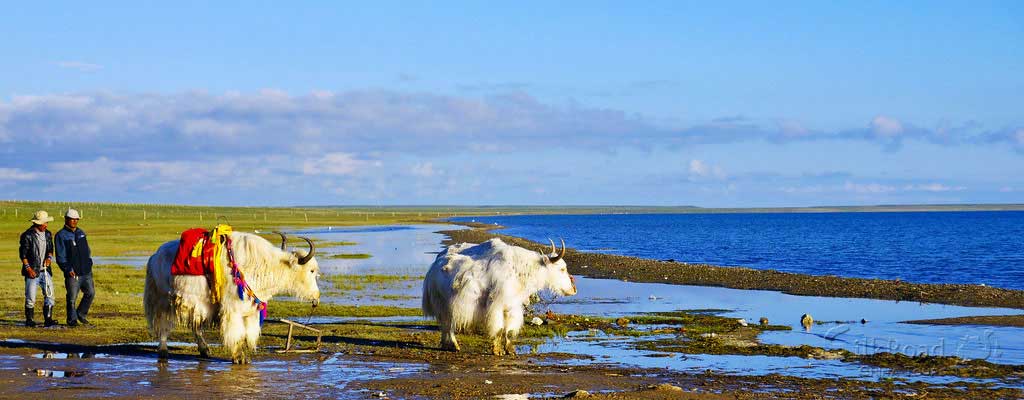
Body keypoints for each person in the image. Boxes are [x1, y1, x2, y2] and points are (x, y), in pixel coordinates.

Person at [55, 208, 94, 327]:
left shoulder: (81, 233)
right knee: (72, 297)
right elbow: (60, 256)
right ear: (66, 219)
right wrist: (67, 269)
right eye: (72, 219)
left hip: (86, 271)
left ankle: (81, 314)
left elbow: (87, 250)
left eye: (76, 219)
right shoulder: (61, 235)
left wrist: (89, 262)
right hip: (73, 273)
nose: (74, 221)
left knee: (90, 293)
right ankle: (71, 320)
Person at [18, 210, 58, 327]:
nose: (45, 225)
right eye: (43, 223)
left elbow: (51, 249)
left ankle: (48, 319)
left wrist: (49, 258)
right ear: (37, 223)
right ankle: (29, 320)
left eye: (46, 223)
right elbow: (23, 255)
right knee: (31, 297)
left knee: (50, 295)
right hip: (32, 271)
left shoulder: (48, 234)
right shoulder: (27, 235)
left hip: (45, 271)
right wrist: (28, 269)